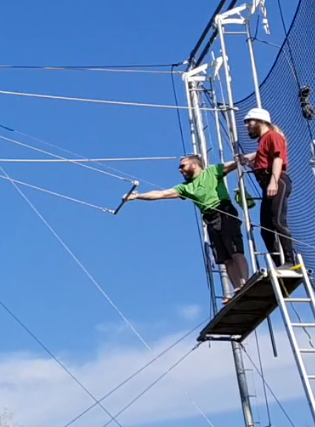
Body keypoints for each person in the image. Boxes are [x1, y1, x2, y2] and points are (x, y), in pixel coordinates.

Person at [125, 154, 249, 291]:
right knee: (225, 259)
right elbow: (161, 194)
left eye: (182, 166)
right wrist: (137, 196)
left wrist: (248, 157)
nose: (180, 170)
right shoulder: (185, 187)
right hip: (210, 219)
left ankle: (245, 282)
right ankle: (237, 287)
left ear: (194, 164)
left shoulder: (212, 171)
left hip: (224, 212)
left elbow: (233, 164)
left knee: (235, 251)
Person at [240, 107, 297, 269]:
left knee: (277, 221)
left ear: (260, 121)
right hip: (268, 184)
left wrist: (273, 181)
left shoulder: (273, 136)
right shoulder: (263, 141)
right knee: (266, 229)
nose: (247, 126)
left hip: (277, 181)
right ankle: (280, 264)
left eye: (249, 122)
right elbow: (262, 159)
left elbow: (278, 159)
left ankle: (289, 261)